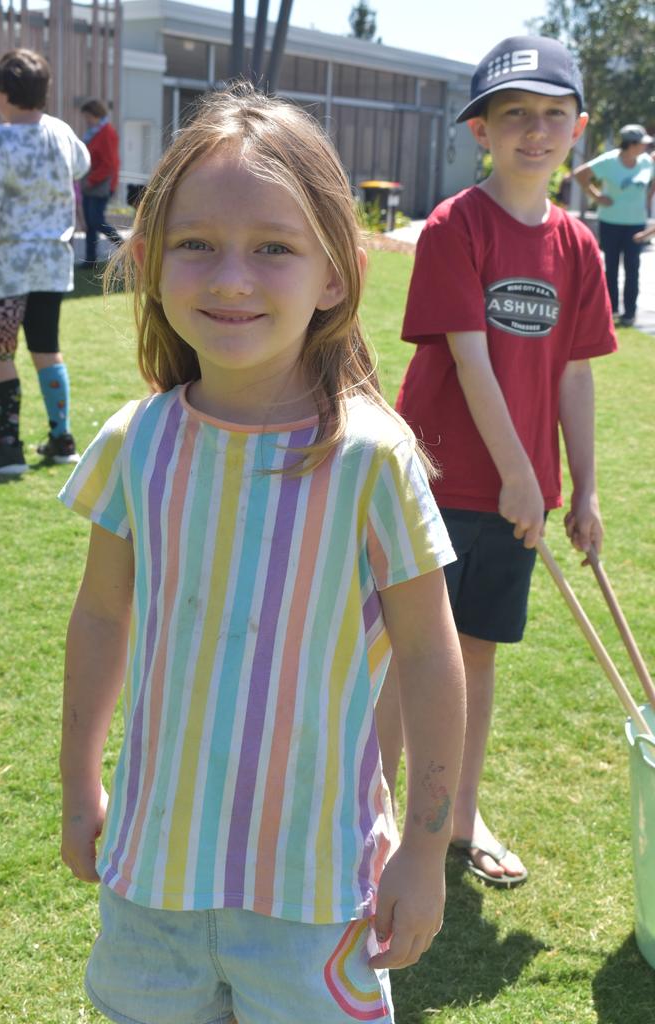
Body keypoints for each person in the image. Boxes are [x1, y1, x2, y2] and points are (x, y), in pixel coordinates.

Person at [59, 86, 466, 1024]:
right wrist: (82, 776)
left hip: (317, 893)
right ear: (150, 259)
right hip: (151, 877)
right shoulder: (137, 441)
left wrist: (424, 847)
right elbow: (101, 616)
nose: (230, 278)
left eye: (273, 247)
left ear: (334, 272)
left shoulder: (373, 458)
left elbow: (428, 655)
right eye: (195, 242)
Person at [388, 36, 616, 888]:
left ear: (578, 128)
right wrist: (521, 475)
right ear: (480, 129)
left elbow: (575, 372)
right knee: (405, 655)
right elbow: (472, 358)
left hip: (521, 497)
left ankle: (455, 815)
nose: (535, 130)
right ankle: (373, 814)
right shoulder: (457, 225)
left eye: (554, 115)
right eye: (514, 114)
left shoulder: (579, 246)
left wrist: (582, 486)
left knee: (475, 654)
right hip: (439, 483)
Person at [0, 49, 90, 474]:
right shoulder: (62, 133)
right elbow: (81, 166)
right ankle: (61, 438)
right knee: (47, 349)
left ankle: (9, 447)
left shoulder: (1, 141)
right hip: (52, 263)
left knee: (0, 352)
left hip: (6, 268)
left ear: (4, 92)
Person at [574, 123, 655, 327]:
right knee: (610, 267)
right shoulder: (609, 161)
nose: (645, 147)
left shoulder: (647, 162)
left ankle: (629, 313)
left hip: (636, 224)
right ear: (631, 144)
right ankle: (610, 310)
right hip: (610, 222)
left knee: (633, 268)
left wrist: (649, 195)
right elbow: (580, 174)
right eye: (642, 143)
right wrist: (596, 196)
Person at [78, 98, 121, 266]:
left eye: (88, 117)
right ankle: (90, 259)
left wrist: (92, 179)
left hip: (101, 184)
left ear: (96, 115)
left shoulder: (106, 132)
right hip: (91, 182)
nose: (87, 121)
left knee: (96, 221)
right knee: (90, 223)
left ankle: (123, 245)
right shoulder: (95, 132)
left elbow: (109, 164)